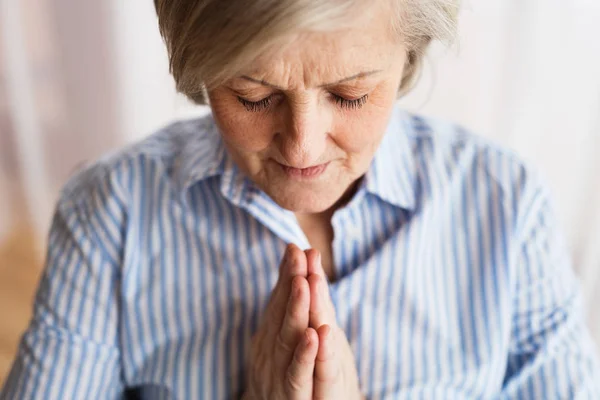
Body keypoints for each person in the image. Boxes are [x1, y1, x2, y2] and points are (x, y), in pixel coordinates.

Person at [2, 0, 600, 398]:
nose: (302, 145)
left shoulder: (506, 206)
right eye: (255, 96)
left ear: (408, 58)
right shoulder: (111, 212)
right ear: (201, 68)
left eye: (350, 94)